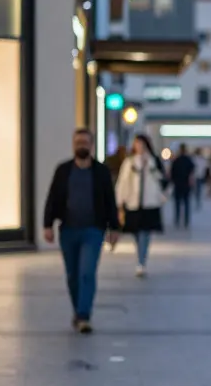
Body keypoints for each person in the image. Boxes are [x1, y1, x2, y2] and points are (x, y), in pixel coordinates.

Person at [43, 129, 121, 333]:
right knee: (72, 275)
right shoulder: (63, 170)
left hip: (93, 231)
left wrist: (114, 228)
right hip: (68, 230)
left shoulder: (101, 172)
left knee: (87, 272)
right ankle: (78, 310)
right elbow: (53, 199)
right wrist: (47, 225)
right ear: (73, 145)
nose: (81, 146)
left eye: (85, 142)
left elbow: (109, 201)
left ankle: (84, 315)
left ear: (92, 145)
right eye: (78, 142)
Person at [115, 134, 167, 278]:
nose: (140, 147)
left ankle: (141, 261)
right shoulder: (129, 162)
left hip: (150, 203)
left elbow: (162, 179)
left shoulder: (153, 161)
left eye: (142, 144)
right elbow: (123, 182)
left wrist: (150, 166)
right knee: (137, 233)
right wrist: (120, 202)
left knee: (145, 232)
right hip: (133, 203)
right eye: (137, 144)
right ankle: (141, 256)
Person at [170, 143, 196, 228]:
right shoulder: (188, 160)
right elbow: (192, 172)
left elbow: (172, 173)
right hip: (186, 185)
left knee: (177, 204)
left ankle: (177, 219)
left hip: (178, 184)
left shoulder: (176, 160)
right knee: (186, 203)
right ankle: (186, 221)